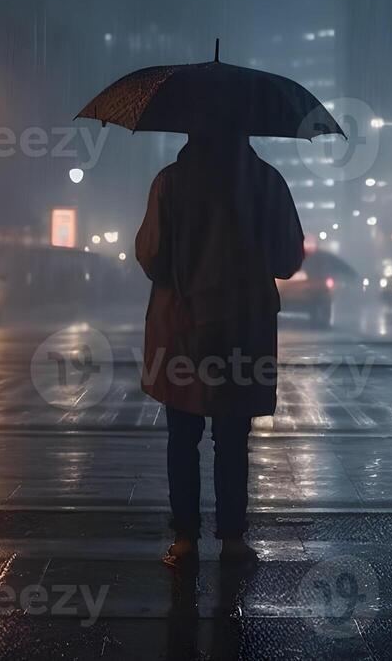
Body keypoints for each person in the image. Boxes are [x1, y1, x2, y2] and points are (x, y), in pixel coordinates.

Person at [135, 132, 305, 568]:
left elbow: (152, 256)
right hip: (243, 326)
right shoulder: (266, 182)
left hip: (182, 325)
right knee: (233, 437)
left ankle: (185, 540)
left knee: (182, 435)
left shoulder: (170, 182)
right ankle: (232, 539)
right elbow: (287, 259)